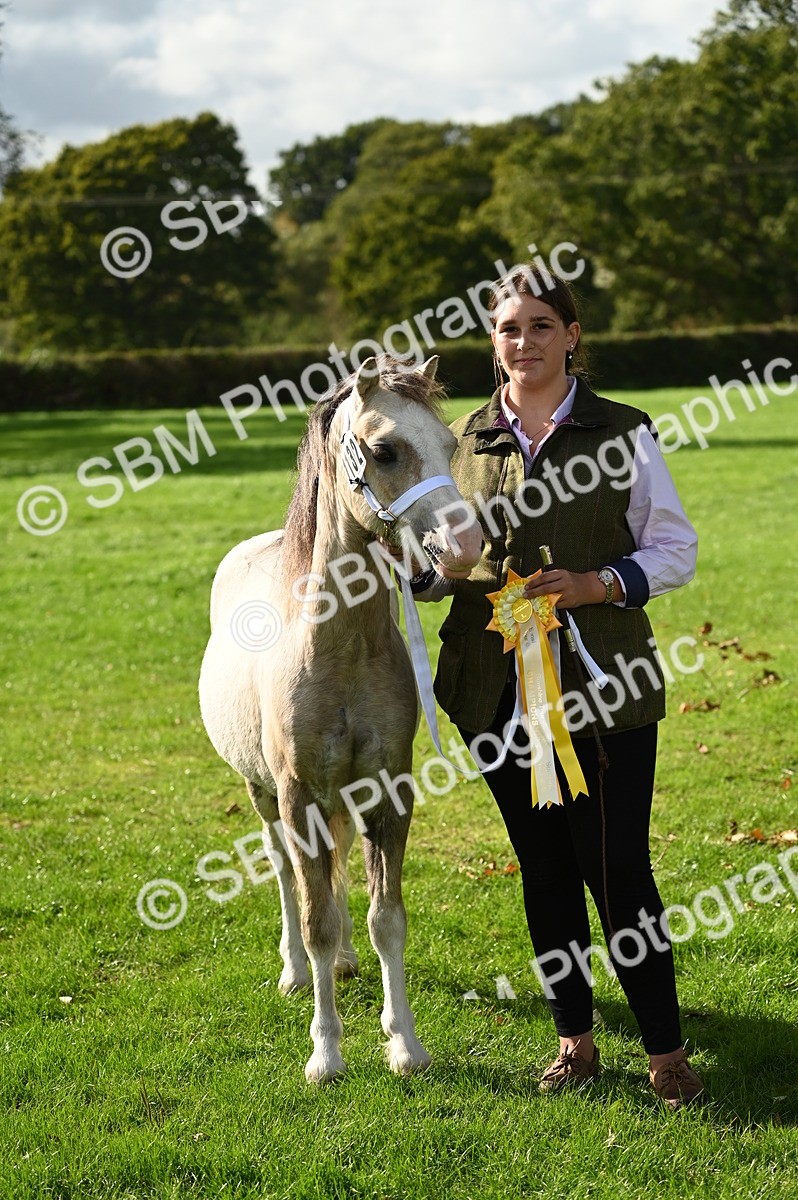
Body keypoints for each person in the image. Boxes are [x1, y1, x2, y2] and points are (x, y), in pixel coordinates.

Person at [410, 264, 703, 1108]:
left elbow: (673, 548)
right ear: (491, 339)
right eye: (508, 327)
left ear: (572, 335)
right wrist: (440, 570)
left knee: (616, 867)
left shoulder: (623, 430)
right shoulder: (456, 441)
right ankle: (574, 1041)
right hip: (489, 690)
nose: (524, 342)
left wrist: (599, 583)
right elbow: (425, 576)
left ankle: (666, 1052)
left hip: (604, 685)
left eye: (542, 325)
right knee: (541, 867)